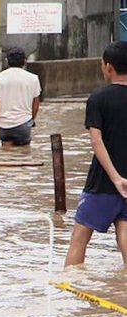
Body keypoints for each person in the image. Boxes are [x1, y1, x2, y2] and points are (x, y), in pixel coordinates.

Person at [64, 41, 127, 267]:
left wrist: (116, 178)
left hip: (102, 184)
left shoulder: (98, 98)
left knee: (79, 239)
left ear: (108, 67)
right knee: (125, 235)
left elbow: (96, 141)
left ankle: (70, 292)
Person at [0, 47, 41, 147]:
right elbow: (36, 103)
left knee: (6, 157)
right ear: (25, 61)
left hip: (5, 124)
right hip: (24, 123)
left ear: (7, 61)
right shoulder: (33, 78)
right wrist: (31, 119)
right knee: (24, 155)